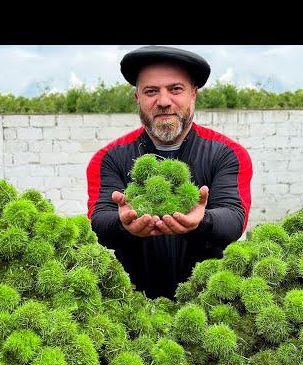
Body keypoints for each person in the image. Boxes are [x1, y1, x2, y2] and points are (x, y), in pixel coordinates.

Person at [86, 45, 253, 300]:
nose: (163, 101)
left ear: (193, 94)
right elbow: (98, 223)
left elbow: (234, 219)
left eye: (175, 89)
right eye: (151, 91)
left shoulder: (228, 153)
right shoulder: (108, 158)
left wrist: (202, 220)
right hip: (133, 305)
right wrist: (123, 224)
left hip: (210, 303)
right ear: (137, 98)